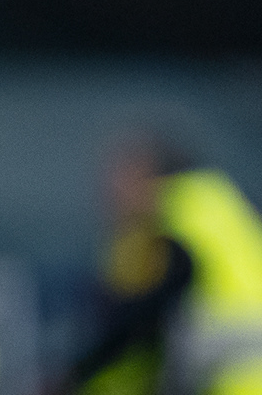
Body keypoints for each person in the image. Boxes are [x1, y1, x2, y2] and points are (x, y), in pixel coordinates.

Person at [72, 144, 262, 395]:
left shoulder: (179, 214)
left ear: (150, 176)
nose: (111, 193)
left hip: (232, 379)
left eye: (123, 179)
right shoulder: (220, 206)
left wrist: (80, 372)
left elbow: (148, 313)